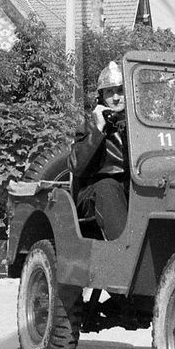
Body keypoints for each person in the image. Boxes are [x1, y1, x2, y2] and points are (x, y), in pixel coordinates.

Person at [69, 61, 129, 240]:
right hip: (95, 193)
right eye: (110, 92)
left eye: (120, 90)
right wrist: (99, 129)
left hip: (132, 188)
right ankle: (122, 252)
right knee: (108, 187)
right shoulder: (89, 128)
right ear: (102, 96)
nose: (116, 97)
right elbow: (77, 166)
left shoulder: (140, 127)